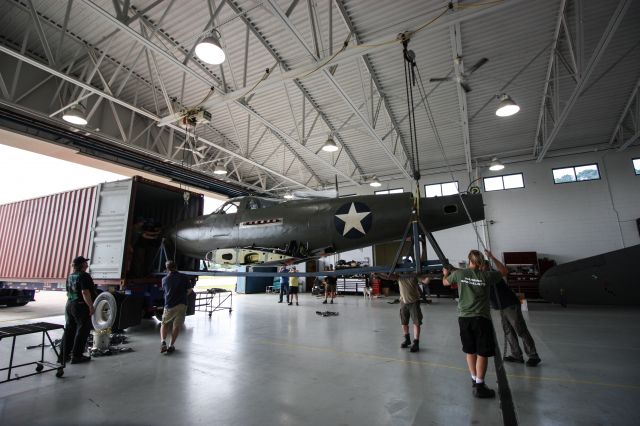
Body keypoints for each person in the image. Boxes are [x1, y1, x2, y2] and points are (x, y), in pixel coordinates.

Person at [442, 249, 507, 399]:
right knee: (482, 353)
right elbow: (504, 271)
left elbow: (445, 282)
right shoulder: (487, 276)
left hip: (464, 318)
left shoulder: (459, 274)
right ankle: (480, 385)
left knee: (470, 351)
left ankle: (474, 379)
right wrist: (492, 257)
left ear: (469, 260)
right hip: (481, 319)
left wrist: (445, 272)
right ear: (481, 261)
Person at [483, 262, 541, 366]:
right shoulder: (482, 276)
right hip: (502, 308)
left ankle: (533, 355)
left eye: (483, 265)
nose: (481, 268)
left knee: (520, 329)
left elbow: (504, 270)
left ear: (487, 266)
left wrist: (491, 256)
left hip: (510, 305)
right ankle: (516, 355)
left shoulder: (493, 275)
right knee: (508, 331)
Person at [377, 272, 427, 353]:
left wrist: (428, 276)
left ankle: (416, 343)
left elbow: (425, 281)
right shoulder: (399, 276)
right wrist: (378, 273)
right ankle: (407, 340)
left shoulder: (414, 275)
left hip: (414, 302)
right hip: (403, 302)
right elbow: (388, 277)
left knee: (416, 323)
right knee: (404, 323)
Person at [62, 256, 97, 364]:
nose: (87, 264)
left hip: (70, 304)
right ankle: (77, 356)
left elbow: (68, 292)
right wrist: (91, 306)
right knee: (82, 330)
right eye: (85, 263)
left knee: (69, 330)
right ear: (81, 265)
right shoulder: (84, 276)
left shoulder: (70, 276)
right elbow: (85, 292)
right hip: (80, 305)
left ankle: (63, 355)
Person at [160, 260, 193, 354]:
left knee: (164, 323)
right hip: (182, 304)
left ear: (167, 268)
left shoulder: (164, 279)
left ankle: (163, 342)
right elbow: (190, 290)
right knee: (176, 326)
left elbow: (165, 290)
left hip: (169, 305)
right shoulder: (184, 277)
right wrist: (183, 295)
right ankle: (171, 346)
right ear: (176, 267)